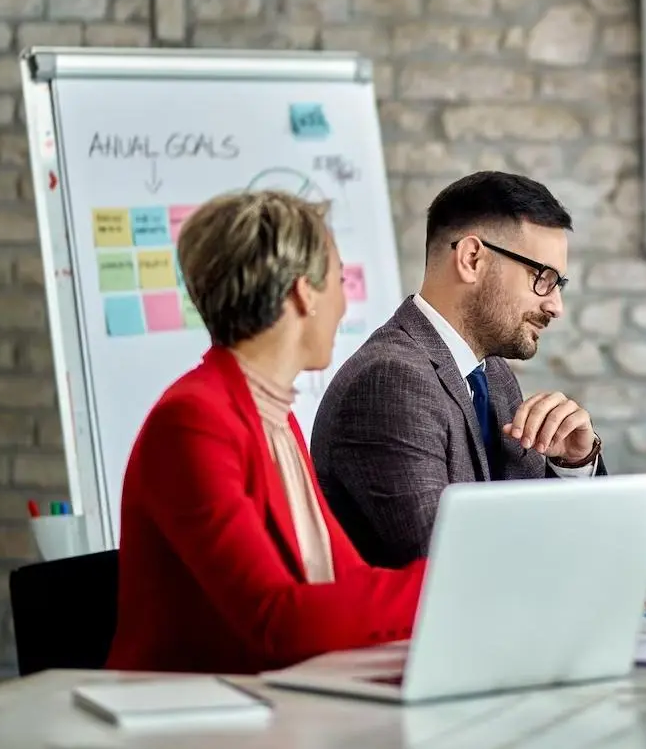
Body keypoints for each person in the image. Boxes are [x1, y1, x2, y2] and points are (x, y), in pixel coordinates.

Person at [312, 171, 646, 589]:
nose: (556, 305)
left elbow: (539, 533)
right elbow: (448, 567)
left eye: (558, 283)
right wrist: (630, 564)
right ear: (472, 258)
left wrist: (572, 465)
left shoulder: (492, 374)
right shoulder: (390, 381)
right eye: (542, 277)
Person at [106, 191, 425, 675]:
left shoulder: (275, 415)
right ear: (304, 293)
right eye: (339, 281)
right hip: (185, 728)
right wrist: (446, 582)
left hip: (270, 701)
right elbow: (275, 620)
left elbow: (344, 577)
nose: (344, 303)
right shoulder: (192, 423)